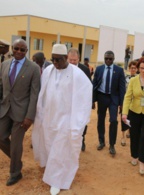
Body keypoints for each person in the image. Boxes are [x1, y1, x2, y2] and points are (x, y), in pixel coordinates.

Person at [32, 44, 92, 195]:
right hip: (49, 118)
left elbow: (84, 99)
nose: (55, 63)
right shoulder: (48, 71)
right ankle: (51, 170)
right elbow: (43, 94)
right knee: (49, 146)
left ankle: (57, 181)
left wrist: (78, 124)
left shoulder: (77, 75)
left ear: (66, 58)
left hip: (66, 120)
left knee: (61, 150)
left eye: (58, 60)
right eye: (53, 59)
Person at [0, 38, 41, 186]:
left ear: (26, 51)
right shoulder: (4, 65)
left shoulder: (34, 68)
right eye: (16, 48)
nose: (18, 51)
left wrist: (29, 116)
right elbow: (1, 87)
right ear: (12, 48)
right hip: (4, 109)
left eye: (22, 50)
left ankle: (15, 173)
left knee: (16, 144)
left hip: (21, 113)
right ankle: (17, 162)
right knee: (1, 136)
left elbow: (34, 94)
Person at [93, 50, 125, 156]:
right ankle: (101, 141)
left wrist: (122, 104)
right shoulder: (99, 69)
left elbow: (122, 88)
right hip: (102, 97)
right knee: (100, 120)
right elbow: (94, 85)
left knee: (113, 121)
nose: (108, 60)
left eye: (110, 59)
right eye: (106, 58)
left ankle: (112, 145)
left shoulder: (119, 70)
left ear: (113, 59)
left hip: (113, 99)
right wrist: (93, 100)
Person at [67, 48, 91, 152]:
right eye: (70, 60)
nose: (72, 62)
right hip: (67, 101)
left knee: (81, 120)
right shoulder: (64, 68)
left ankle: (82, 139)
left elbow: (89, 86)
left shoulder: (84, 69)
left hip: (80, 101)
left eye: (74, 60)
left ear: (78, 59)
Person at [121, 60, 138, 146]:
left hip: (135, 102)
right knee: (124, 118)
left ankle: (129, 131)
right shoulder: (125, 78)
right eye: (131, 68)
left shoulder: (138, 79)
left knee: (132, 118)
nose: (133, 69)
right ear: (129, 68)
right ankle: (123, 137)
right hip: (125, 101)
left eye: (134, 68)